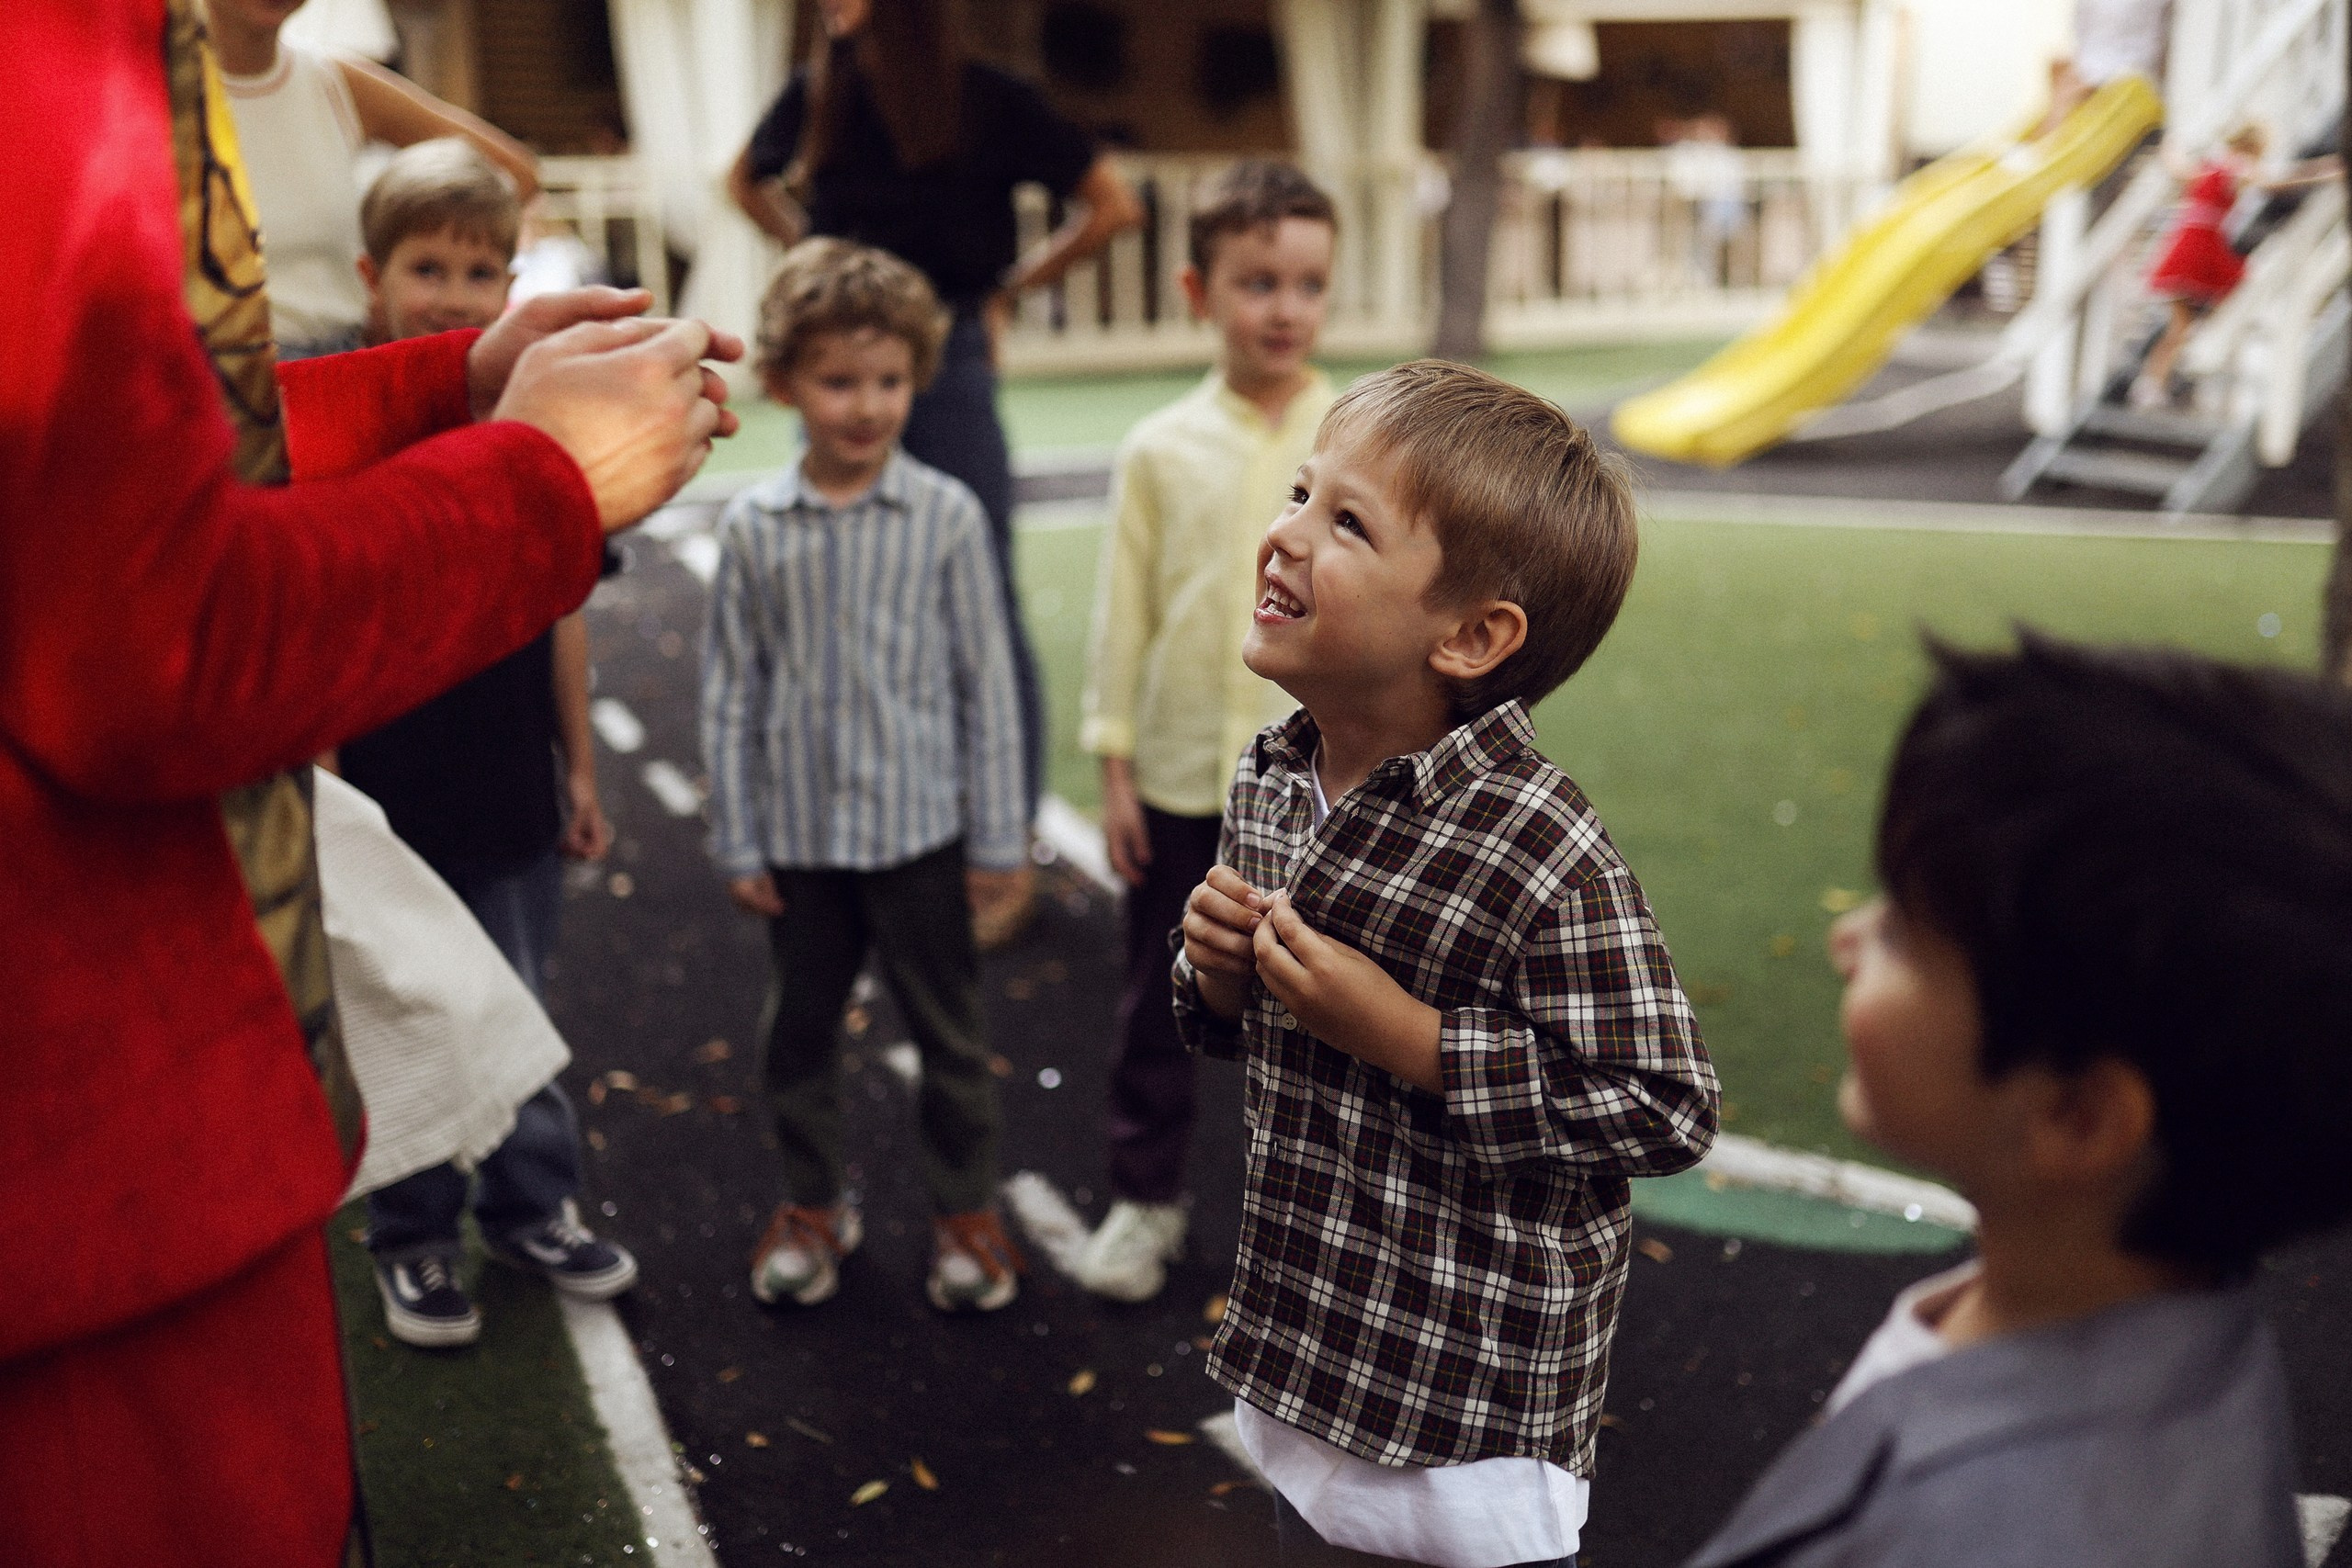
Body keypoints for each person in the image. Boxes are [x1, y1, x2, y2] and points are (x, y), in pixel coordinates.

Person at [0, 1, 733, 1560]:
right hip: (85, 1200)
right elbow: (151, 644)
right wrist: (540, 484)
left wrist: (441, 390)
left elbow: (106, 464)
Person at [1174, 361, 1721, 1567]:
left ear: (1472, 636)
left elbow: (1667, 1105)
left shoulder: (1539, 846)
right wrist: (1211, 970)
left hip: (1464, 1417)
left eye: (1347, 521)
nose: (1287, 534)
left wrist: (1416, 1041)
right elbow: (1236, 1026)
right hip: (1314, 1352)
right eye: (1303, 489)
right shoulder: (1276, 774)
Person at [1685, 635, 2352, 1568]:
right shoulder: (2187, 1347)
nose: (1846, 940)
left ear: (2077, 1120)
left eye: (1905, 937)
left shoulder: (1986, 1529)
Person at [729, 0, 1145, 943]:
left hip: (946, 367)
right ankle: (868, 837)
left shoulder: (990, 98)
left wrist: (1008, 288)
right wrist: (816, 267)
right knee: (843, 591)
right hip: (840, 368)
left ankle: (1001, 852)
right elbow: (741, 181)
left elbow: (1113, 204)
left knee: (976, 604)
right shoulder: (820, 93)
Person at [334, 140, 637, 1348]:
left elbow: (558, 606)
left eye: (480, 269)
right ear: (372, 276)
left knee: (515, 1002)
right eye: (427, 265)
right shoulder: (352, 432)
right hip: (394, 782)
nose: (453, 293)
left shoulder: (529, 429)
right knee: (413, 1015)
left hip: (511, 774)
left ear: (513, 286)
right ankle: (411, 1232)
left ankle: (528, 1203)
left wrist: (580, 764)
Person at [702, 238, 1030, 1314]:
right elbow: (732, 693)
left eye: (888, 380)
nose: (867, 405)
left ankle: (963, 1217)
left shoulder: (945, 517)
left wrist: (996, 837)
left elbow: (986, 684)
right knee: (797, 1036)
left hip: (922, 838)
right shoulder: (751, 529)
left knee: (950, 1039)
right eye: (839, 381)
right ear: (787, 382)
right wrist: (739, 838)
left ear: (919, 378)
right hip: (800, 845)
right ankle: (811, 1206)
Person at [1070, 162, 1339, 1303]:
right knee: (1161, 997)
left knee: (1328, 1006)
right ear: (1199, 290)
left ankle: (1328, 1227)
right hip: (1186, 778)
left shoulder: (1360, 436)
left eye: (1309, 284)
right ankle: (1144, 1197)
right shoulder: (1157, 448)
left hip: (1332, 787)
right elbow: (1120, 615)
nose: (1284, 308)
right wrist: (1116, 766)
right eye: (1256, 282)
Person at [211, 0, 537, 357]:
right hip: (206, 376)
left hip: (341, 367)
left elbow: (514, 174)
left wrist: (404, 285)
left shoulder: (332, 83)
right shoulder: (155, 90)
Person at [2131, 124, 2338, 408]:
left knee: (2179, 325)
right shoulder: (2237, 166)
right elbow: (2275, 183)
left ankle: (2150, 385)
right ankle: (2186, 359)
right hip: (2203, 244)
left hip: (2184, 239)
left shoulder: (2210, 166)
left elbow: (2178, 169)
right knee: (2237, 286)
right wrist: (2323, 171)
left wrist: (2168, 141)